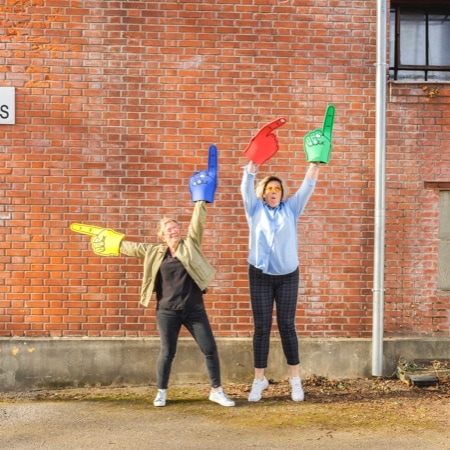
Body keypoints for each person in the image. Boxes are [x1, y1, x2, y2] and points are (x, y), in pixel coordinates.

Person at [71, 145, 235, 408]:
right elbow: (131, 247)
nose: (174, 230)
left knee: (210, 349)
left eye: (176, 227)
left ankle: (216, 390)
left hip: (194, 310)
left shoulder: (190, 244)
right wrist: (111, 240)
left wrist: (201, 199)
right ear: (161, 234)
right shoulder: (153, 251)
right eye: (169, 228)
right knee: (167, 353)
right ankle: (161, 392)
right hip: (167, 311)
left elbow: (198, 221)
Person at [240, 160, 320, 402]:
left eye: (277, 189)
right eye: (269, 189)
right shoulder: (254, 209)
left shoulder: (291, 209)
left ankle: (295, 380)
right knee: (262, 328)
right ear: (263, 193)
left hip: (287, 276)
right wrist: (251, 166)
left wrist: (314, 164)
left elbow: (307, 186)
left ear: (282, 193)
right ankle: (259, 380)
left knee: (287, 325)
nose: (273, 192)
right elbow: (245, 187)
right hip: (260, 275)